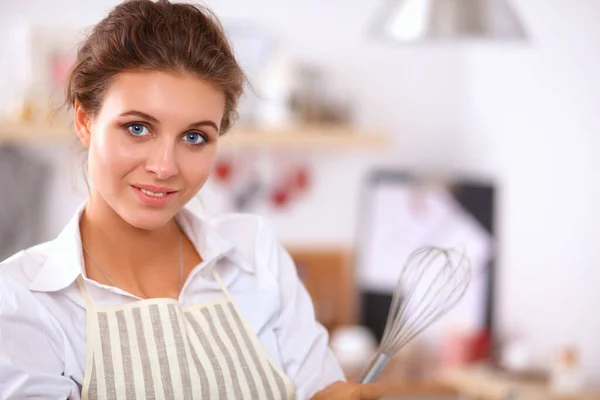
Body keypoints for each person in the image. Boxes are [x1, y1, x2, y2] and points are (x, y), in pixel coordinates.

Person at [0, 1, 385, 399]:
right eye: (137, 128)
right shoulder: (22, 302)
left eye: (194, 137)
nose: (165, 166)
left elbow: (318, 391)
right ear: (84, 121)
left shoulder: (254, 254)